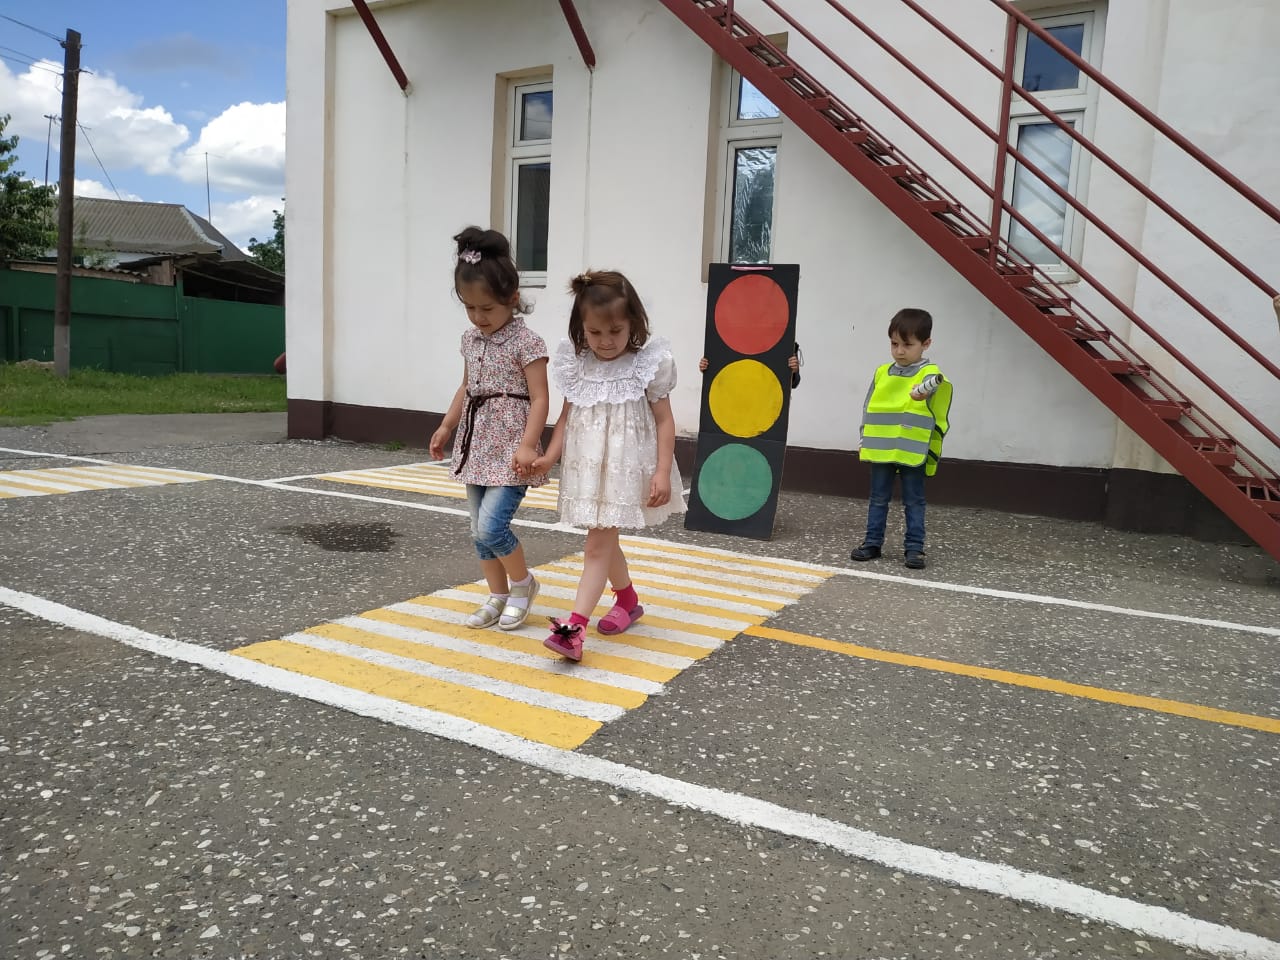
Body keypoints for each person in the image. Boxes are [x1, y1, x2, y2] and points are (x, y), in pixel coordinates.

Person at [521, 270, 685, 661]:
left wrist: (662, 471)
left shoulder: (648, 364)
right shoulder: (577, 364)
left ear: (633, 323)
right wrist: (549, 457)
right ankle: (627, 600)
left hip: (625, 468)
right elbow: (566, 417)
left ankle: (574, 629)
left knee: (597, 544)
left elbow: (664, 420)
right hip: (588, 467)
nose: (606, 341)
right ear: (581, 328)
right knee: (604, 539)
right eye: (595, 332)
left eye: (615, 331)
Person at [429, 226, 549, 630]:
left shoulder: (527, 343)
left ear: (512, 299)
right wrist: (447, 425)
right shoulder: (470, 339)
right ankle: (497, 595)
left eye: (487, 309)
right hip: (475, 444)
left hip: (512, 448)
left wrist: (529, 445)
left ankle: (523, 585)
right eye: (470, 308)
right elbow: (467, 387)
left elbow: (540, 398)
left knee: (492, 526)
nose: (479, 318)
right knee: (478, 532)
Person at [849, 308, 952, 570]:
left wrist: (923, 392)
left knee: (914, 501)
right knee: (878, 498)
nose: (900, 351)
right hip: (882, 448)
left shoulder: (929, 373)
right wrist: (863, 438)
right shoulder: (882, 372)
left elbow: (931, 386)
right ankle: (872, 543)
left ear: (926, 344)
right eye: (894, 344)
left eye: (908, 345)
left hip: (911, 450)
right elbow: (868, 407)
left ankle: (914, 549)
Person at [698, 343, 802, 387]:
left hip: (766, 403)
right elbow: (718, 366)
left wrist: (793, 372)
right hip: (733, 399)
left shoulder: (785, 344)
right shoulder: (729, 337)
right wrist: (707, 368)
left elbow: (794, 383)